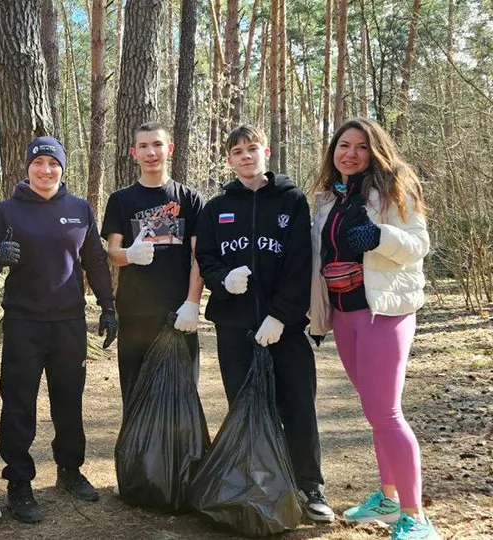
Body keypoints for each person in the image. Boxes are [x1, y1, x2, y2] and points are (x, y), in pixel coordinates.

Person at [194, 125, 334, 523]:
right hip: (234, 326)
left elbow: (299, 262)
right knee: (248, 407)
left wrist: (282, 315)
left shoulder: (291, 201)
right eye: (236, 151)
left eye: (251, 148)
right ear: (229, 159)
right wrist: (222, 279)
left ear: (266, 152)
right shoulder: (215, 207)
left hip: (284, 329)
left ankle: (310, 486)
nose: (245, 156)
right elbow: (205, 257)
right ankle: (260, 484)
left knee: (298, 405)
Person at [309, 118, 438, 540]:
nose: (351, 154)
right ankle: (386, 497)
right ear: (334, 151)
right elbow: (319, 259)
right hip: (346, 314)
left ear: (375, 151)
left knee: (386, 413)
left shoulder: (395, 187)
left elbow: (419, 244)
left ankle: (415, 516)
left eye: (361, 147)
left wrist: (381, 236)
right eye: (343, 145)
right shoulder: (329, 198)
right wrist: (316, 316)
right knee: (373, 412)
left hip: (385, 312)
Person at [0, 136, 117, 524]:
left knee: (69, 400)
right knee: (19, 403)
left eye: (52, 163)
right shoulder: (5, 211)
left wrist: (108, 308)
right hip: (24, 322)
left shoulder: (78, 209)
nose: (45, 170)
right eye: (38, 162)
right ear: (27, 167)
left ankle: (70, 470)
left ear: (62, 168)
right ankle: (19, 482)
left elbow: (96, 261)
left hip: (69, 322)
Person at [101, 122, 205, 413]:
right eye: (144, 146)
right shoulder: (121, 200)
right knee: (136, 399)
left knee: (181, 402)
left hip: (178, 315)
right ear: (134, 153)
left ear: (169, 149)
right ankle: (138, 459)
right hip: (135, 316)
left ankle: (180, 460)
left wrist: (192, 303)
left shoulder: (191, 199)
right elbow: (112, 252)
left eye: (157, 144)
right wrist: (129, 255)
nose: (151, 152)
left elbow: (200, 256)